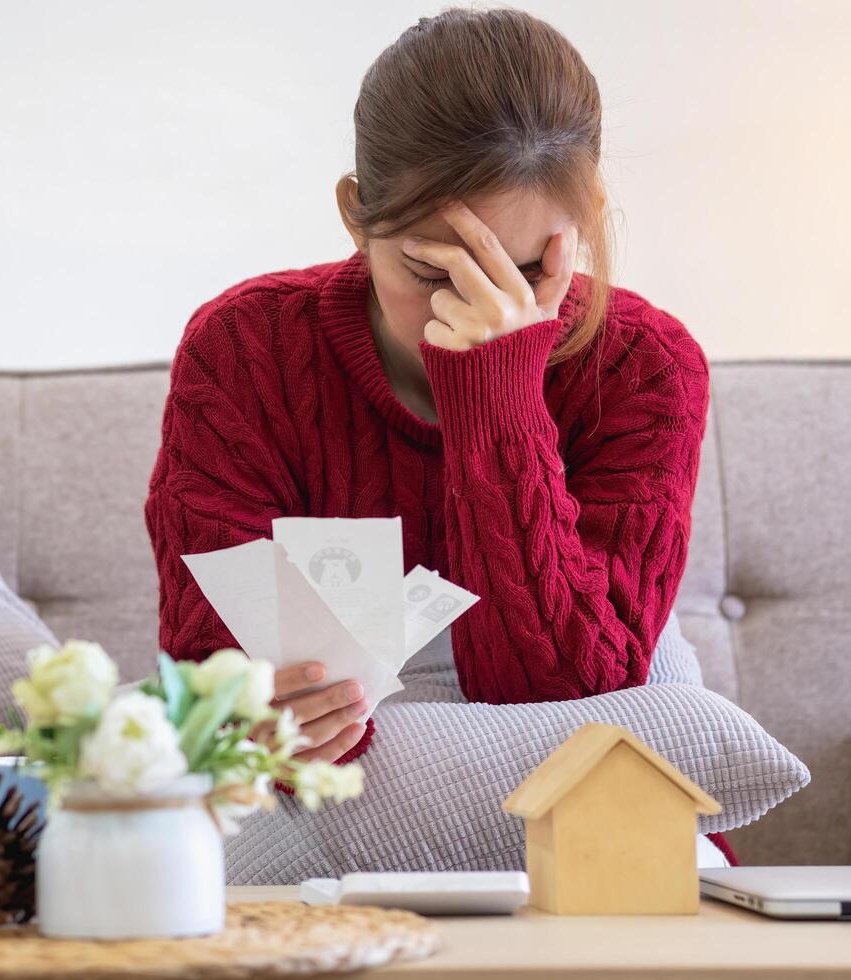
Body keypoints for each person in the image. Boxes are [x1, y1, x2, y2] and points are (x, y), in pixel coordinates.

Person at [143, 6, 734, 865]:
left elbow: (569, 702)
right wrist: (254, 715)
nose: (479, 307)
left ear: (592, 212)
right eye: (432, 271)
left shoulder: (647, 367)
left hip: (567, 762)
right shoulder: (244, 348)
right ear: (354, 214)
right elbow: (209, 669)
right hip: (326, 785)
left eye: (530, 270)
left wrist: (494, 396)